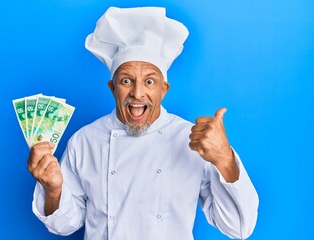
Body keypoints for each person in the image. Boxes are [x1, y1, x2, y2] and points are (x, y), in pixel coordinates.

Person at [27, 6, 259, 240]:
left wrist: (224, 159)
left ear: (163, 90)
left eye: (149, 81)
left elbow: (239, 227)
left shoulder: (192, 140)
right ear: (113, 88)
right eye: (126, 80)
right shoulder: (84, 140)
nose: (137, 93)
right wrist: (53, 190)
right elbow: (65, 225)